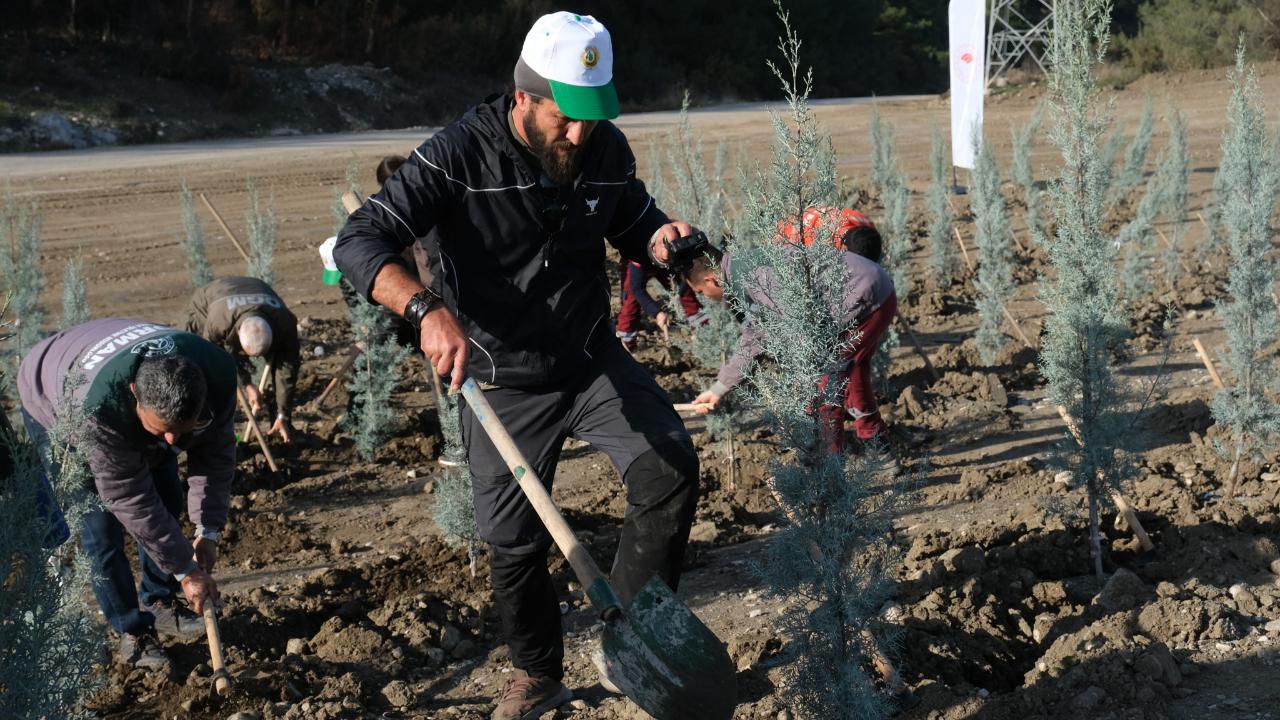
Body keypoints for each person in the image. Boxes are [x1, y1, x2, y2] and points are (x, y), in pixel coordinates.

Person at [333, 11, 700, 719]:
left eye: (591, 119)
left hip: (590, 356)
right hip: (501, 376)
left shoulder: (603, 148)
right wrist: (422, 309)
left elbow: (633, 220)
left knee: (668, 465)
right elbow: (361, 239)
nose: (579, 134)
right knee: (512, 545)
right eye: (566, 118)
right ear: (523, 97)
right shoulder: (458, 155)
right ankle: (538, 672)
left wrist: (664, 243)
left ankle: (636, 634)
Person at [17, 319, 237, 670]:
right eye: (161, 430)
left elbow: (215, 456)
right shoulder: (97, 410)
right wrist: (186, 570)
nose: (170, 442)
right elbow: (129, 497)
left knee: (168, 496)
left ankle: (159, 602)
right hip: (53, 396)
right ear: (135, 393)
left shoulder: (217, 374)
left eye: (181, 431)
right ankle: (131, 631)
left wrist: (207, 530)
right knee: (100, 533)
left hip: (108, 366)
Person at [688, 207, 897, 452]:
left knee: (825, 390)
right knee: (853, 374)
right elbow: (757, 334)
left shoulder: (754, 276)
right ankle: (876, 445)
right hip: (872, 289)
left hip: (865, 300)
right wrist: (718, 389)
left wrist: (802, 381)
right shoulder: (741, 270)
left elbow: (797, 326)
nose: (706, 298)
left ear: (710, 280)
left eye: (701, 293)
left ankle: (829, 471)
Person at [184, 276, 301, 443]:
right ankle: (208, 430)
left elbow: (287, 370)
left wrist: (284, 414)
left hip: (255, 291)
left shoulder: (286, 323)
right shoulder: (218, 323)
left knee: (283, 371)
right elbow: (217, 358)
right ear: (238, 334)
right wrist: (246, 384)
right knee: (198, 366)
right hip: (209, 300)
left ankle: (279, 424)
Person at [614, 259, 703, 351]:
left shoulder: (668, 253)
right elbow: (637, 289)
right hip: (637, 261)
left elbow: (680, 282)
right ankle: (625, 344)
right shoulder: (637, 257)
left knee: (680, 288)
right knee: (630, 302)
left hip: (662, 260)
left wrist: (680, 289)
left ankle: (704, 330)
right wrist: (657, 313)